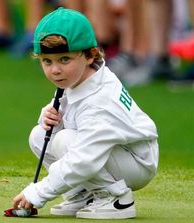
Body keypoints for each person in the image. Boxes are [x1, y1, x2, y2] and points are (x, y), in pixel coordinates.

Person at [11, 7, 159, 219]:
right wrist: (49, 115)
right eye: (47, 61)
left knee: (64, 140)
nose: (55, 70)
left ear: (90, 56)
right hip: (113, 154)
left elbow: (84, 159)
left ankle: (117, 199)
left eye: (64, 59)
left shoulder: (100, 101)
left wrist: (38, 192)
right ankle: (84, 194)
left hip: (137, 163)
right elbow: (73, 119)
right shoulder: (77, 78)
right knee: (40, 134)